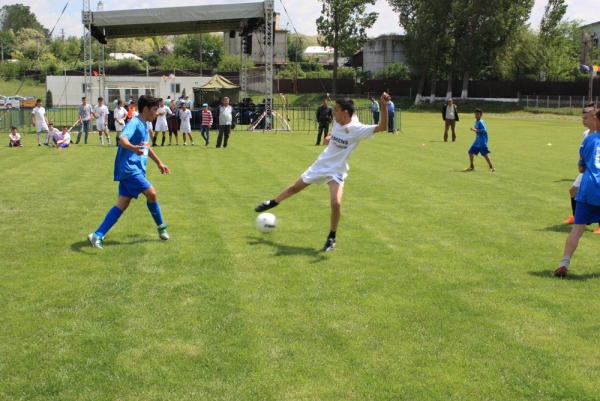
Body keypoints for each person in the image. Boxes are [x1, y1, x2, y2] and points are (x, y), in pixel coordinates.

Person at [254, 93, 391, 252]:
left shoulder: (357, 129)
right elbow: (337, 132)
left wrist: (384, 106)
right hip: (321, 164)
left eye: (337, 110)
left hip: (337, 170)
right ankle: (272, 202)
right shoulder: (338, 121)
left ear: (345, 113)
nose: (333, 113)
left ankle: (331, 237)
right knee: (293, 189)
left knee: (336, 203)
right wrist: (329, 136)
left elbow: (382, 127)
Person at [88, 95, 170, 249]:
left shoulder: (144, 124)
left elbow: (146, 146)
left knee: (123, 203)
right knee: (151, 193)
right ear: (146, 109)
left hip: (132, 170)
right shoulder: (134, 123)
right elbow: (122, 140)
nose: (156, 113)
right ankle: (161, 226)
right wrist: (133, 149)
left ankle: (97, 235)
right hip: (129, 169)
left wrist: (159, 162)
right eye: (154, 110)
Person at [554, 110, 600, 277]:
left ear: (597, 120)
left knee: (577, 230)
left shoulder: (589, 140)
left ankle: (564, 264)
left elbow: (581, 168)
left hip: (589, 189)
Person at [564, 103, 598, 230]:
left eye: (586, 118)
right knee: (573, 190)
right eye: (582, 118)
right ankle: (577, 217)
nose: (583, 121)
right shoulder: (586, 134)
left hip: (597, 171)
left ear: (595, 118)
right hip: (587, 170)